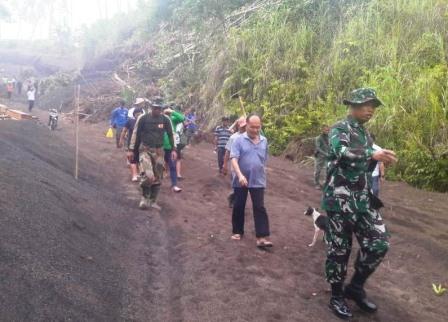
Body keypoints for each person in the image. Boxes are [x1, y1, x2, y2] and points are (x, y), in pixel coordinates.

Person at [322, 88, 397, 319]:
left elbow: (365, 163)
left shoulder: (366, 134)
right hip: (340, 201)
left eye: (374, 106)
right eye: (366, 104)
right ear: (353, 105)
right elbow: (340, 151)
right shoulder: (338, 129)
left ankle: (354, 287)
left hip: (363, 202)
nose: (371, 110)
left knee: (379, 243)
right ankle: (336, 296)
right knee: (339, 251)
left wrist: (380, 159)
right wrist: (371, 155)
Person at [230, 114, 273, 249]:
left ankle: (261, 237)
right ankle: (237, 231)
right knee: (239, 205)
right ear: (246, 125)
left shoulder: (264, 141)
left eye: (258, 127)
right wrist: (240, 175)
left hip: (258, 179)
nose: (255, 130)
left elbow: (264, 159)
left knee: (259, 207)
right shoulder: (238, 140)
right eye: (252, 127)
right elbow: (234, 159)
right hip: (241, 179)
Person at [130, 99, 175, 210]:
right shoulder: (143, 118)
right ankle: (144, 198)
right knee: (149, 176)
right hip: (145, 150)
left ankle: (152, 201)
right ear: (151, 107)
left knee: (158, 177)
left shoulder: (165, 119)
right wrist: (131, 149)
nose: (157, 110)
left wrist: (174, 149)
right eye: (155, 108)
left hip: (159, 151)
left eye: (159, 108)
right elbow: (136, 134)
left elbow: (170, 134)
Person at [222, 116, 247, 207]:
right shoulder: (234, 137)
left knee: (244, 185)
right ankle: (234, 199)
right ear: (239, 126)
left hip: (246, 166)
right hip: (235, 166)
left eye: (246, 125)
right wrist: (225, 164)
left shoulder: (250, 137)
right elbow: (227, 152)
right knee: (237, 185)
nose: (244, 128)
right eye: (243, 126)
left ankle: (234, 197)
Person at [163, 106, 185, 192]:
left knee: (172, 165)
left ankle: (174, 185)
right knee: (159, 164)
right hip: (160, 146)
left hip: (171, 147)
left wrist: (172, 111)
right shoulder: (160, 119)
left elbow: (182, 118)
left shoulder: (173, 119)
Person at [119, 107, 144, 182]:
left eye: (140, 114)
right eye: (137, 114)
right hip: (131, 144)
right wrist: (121, 140)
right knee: (132, 160)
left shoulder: (145, 122)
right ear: (134, 115)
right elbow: (124, 131)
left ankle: (139, 173)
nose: (138, 116)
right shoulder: (130, 121)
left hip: (142, 144)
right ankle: (134, 175)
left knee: (141, 160)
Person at [314, 125, 330, 189]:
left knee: (327, 170)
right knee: (318, 170)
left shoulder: (329, 138)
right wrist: (325, 153)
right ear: (322, 130)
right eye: (326, 130)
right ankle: (316, 183)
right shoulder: (318, 138)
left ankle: (324, 183)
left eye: (328, 130)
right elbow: (318, 148)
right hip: (320, 157)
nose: (327, 131)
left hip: (327, 156)